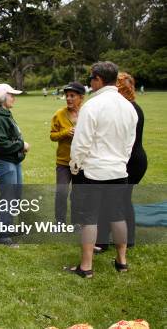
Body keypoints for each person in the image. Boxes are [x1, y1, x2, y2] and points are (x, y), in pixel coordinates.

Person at [67, 61, 137, 278]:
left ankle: (86, 266)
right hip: (118, 170)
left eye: (91, 79)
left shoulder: (92, 106)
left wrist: (75, 165)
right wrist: (120, 161)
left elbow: (81, 142)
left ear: (97, 79)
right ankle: (122, 261)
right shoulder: (129, 106)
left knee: (89, 218)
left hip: (95, 171)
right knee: (118, 215)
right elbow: (129, 142)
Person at [96, 72, 147, 250]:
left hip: (130, 161)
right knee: (122, 199)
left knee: (116, 200)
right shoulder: (132, 106)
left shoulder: (127, 108)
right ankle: (123, 238)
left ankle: (110, 240)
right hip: (133, 159)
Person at [0, 83, 30, 246]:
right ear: (3, 98)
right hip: (4, 161)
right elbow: (0, 144)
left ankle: (7, 227)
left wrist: (18, 145)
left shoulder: (4, 114)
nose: (14, 98)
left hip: (12, 160)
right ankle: (3, 235)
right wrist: (21, 145)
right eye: (11, 95)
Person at [50, 82, 85, 224]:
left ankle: (76, 222)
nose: (68, 99)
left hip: (81, 162)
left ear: (81, 97)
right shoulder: (59, 114)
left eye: (72, 96)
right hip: (63, 162)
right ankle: (59, 222)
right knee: (61, 193)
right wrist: (65, 132)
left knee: (78, 194)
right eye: (67, 96)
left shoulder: (86, 113)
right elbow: (52, 136)